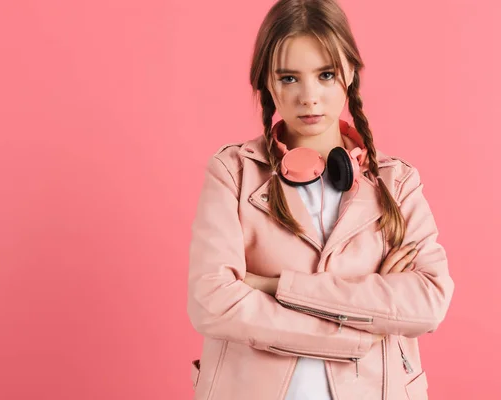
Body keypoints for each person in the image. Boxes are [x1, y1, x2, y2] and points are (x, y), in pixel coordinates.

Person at [186, 0, 454, 399]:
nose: (309, 97)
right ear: (268, 83)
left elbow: (428, 302)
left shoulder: (398, 183)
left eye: (325, 75)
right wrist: (363, 318)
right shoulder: (232, 173)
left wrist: (274, 286)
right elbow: (213, 302)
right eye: (290, 78)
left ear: (349, 74)